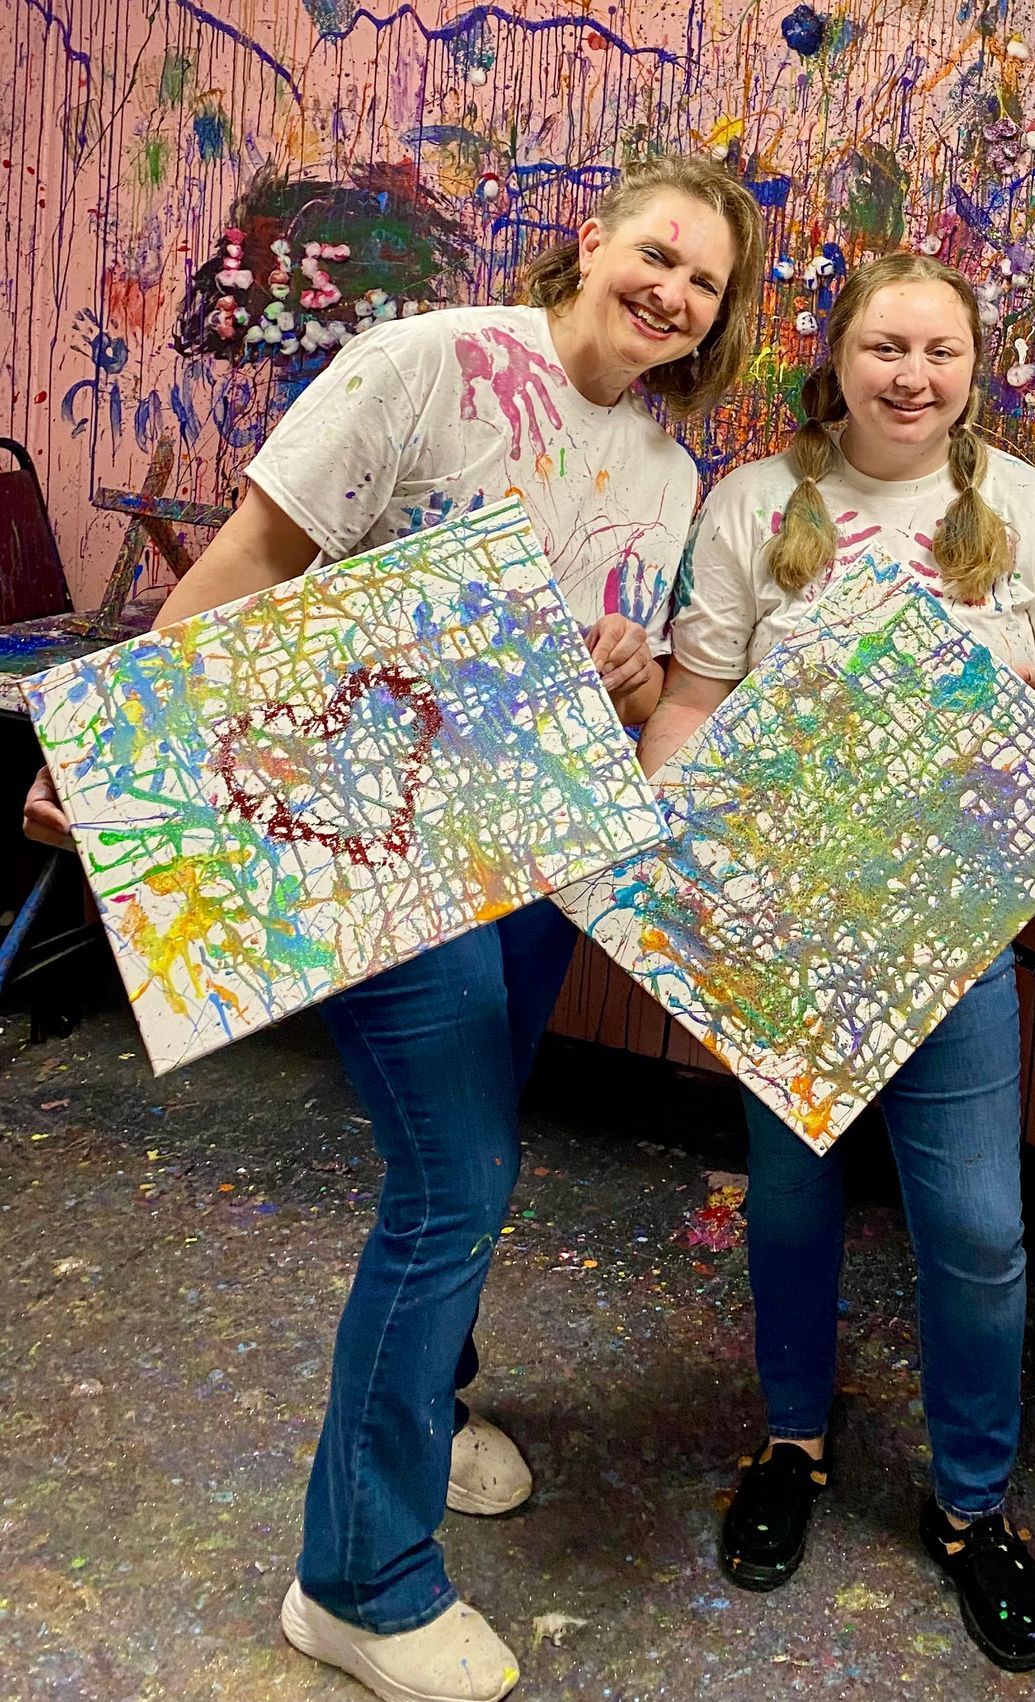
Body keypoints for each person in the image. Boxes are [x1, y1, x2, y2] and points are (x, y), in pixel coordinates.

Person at [25, 152, 767, 1702]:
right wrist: (113, 767)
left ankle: (436, 1406)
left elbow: (593, 672)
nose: (673, 291)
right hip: (379, 843)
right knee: (457, 1178)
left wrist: (626, 677)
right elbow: (260, 553)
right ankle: (356, 1575)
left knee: (471, 1149)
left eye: (703, 281)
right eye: (660, 252)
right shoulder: (431, 361)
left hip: (523, 855)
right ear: (595, 239)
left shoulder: (663, 464)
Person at [641, 250, 1035, 1673]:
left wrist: (992, 681)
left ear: (976, 370)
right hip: (785, 926)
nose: (914, 376)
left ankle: (973, 1504)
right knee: (789, 1204)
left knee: (973, 1228)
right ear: (835, 358)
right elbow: (693, 699)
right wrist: (682, 882)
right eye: (887, 348)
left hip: (952, 929)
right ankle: (793, 1439)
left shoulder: (1027, 508)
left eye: (943, 353)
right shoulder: (753, 505)